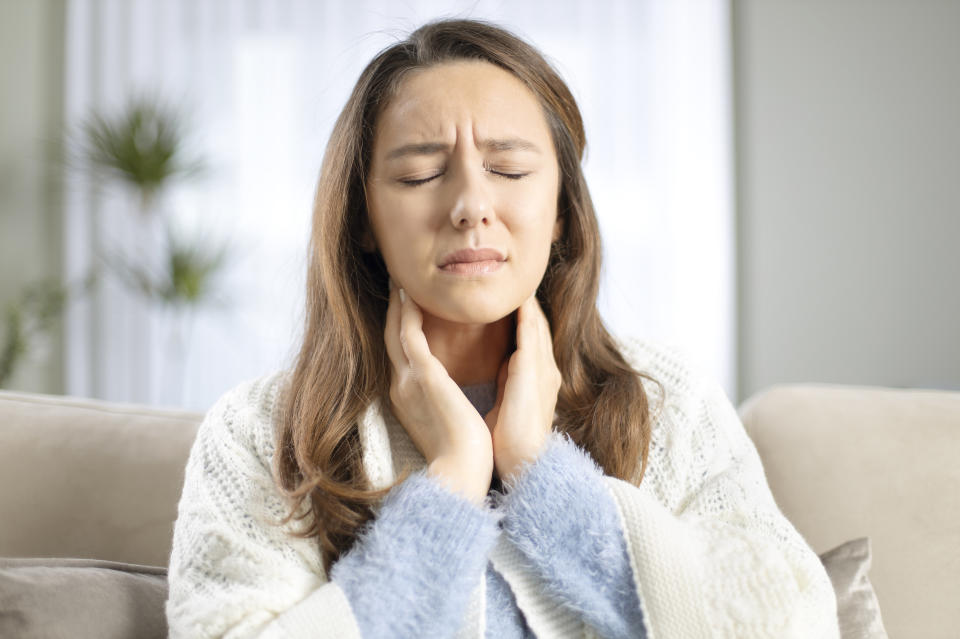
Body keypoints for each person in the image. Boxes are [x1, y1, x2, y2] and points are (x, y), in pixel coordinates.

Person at [165, 18, 840, 639]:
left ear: (561, 213)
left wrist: (538, 469)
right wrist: (452, 482)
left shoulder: (669, 401)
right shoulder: (260, 432)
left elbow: (790, 622)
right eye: (420, 172)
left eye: (509, 168)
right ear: (363, 219)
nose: (469, 205)